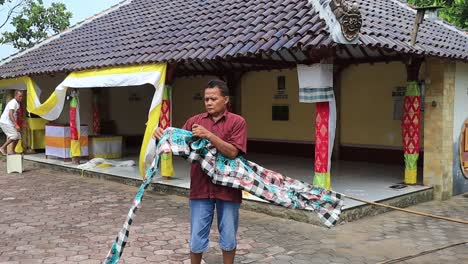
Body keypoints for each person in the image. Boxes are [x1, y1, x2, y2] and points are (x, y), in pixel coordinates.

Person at [153, 80, 247, 264]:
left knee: (228, 235)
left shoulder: (238, 122)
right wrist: (162, 139)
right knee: (196, 236)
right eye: (206, 99)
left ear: (226, 99)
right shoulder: (194, 122)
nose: (209, 102)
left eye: (213, 98)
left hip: (228, 188)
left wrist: (209, 135)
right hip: (200, 187)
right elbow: (181, 149)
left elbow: (233, 152)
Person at [0, 90, 24, 155]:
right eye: (19, 96)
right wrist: (16, 125)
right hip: (5, 122)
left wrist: (23, 120)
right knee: (14, 135)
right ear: (15, 96)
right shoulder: (13, 102)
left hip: (9, 122)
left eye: (22, 96)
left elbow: (16, 115)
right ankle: (2, 148)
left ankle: (12, 151)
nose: (21, 98)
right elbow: (10, 115)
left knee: (18, 136)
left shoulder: (17, 103)